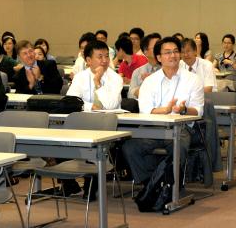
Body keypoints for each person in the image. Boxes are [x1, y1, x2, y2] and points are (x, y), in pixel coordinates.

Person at [122, 37, 204, 204]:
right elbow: (145, 109)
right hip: (154, 128)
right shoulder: (150, 81)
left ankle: (170, 184)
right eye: (167, 52)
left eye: (175, 51)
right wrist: (165, 110)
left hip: (181, 128)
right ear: (159, 57)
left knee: (178, 146)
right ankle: (151, 183)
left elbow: (198, 110)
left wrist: (183, 109)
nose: (173, 55)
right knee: (130, 147)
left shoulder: (192, 79)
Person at [67, 40, 123, 111]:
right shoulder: (80, 77)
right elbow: (70, 101)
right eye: (100, 57)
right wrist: (90, 106)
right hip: (84, 119)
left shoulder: (116, 78)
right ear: (88, 60)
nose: (105, 60)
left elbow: (111, 106)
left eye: (106, 56)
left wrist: (97, 82)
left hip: (108, 120)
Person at [128, 33, 162, 99]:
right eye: (156, 47)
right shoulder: (138, 71)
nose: (160, 50)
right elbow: (130, 95)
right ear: (145, 51)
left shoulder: (169, 69)